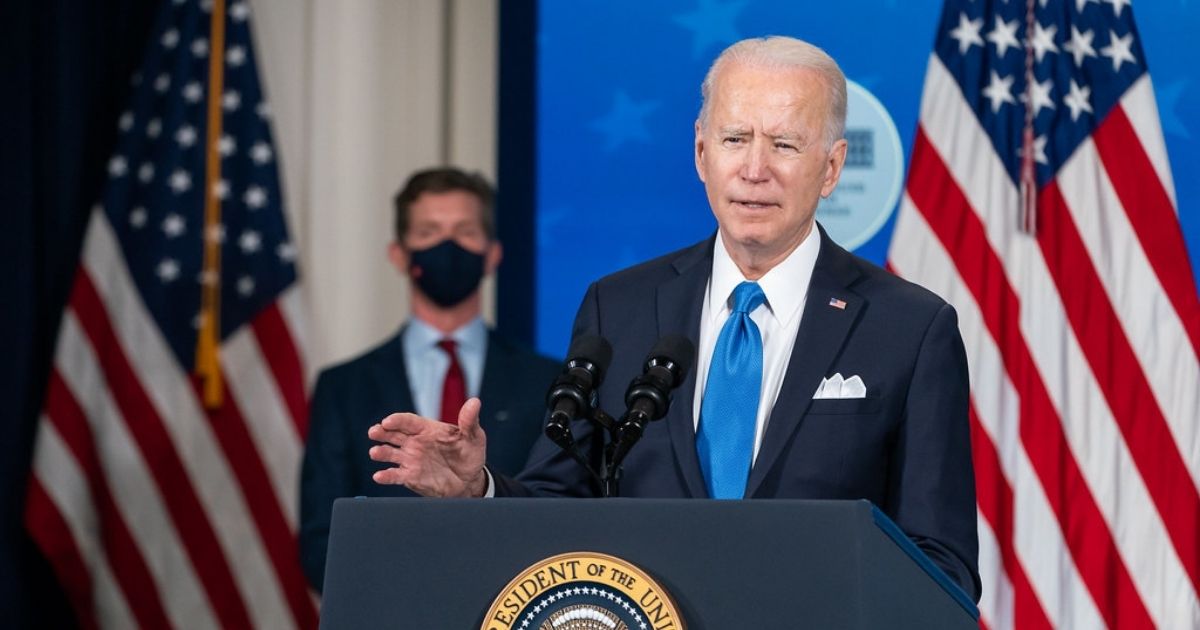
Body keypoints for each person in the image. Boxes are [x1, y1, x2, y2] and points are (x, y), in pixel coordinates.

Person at [367, 38, 980, 600]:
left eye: (785, 144)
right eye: (736, 139)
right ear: (700, 152)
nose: (755, 169)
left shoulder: (910, 329)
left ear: (832, 167)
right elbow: (560, 502)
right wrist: (481, 488)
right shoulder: (621, 305)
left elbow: (941, 563)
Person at [299, 167, 560, 591]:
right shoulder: (342, 387)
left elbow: (562, 515)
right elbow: (319, 541)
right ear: (399, 255)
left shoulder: (549, 381)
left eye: (464, 231)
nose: (447, 246)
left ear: (493, 253)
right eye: (428, 232)